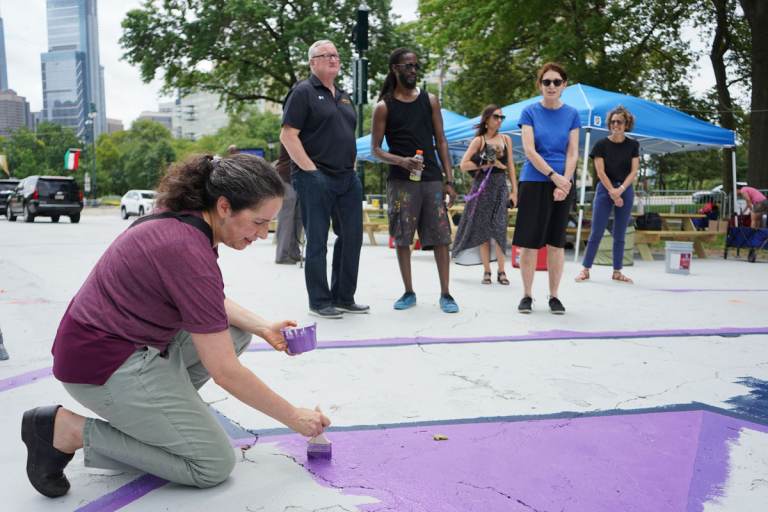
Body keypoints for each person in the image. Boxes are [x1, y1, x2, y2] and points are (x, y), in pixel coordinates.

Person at [21, 154, 331, 499]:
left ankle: (161, 418)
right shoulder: (185, 247)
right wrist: (293, 417)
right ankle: (68, 430)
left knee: (236, 332)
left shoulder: (185, 223)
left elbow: (207, 301)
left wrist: (263, 327)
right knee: (211, 463)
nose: (263, 234)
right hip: (102, 365)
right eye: (258, 222)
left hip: (121, 347)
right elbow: (225, 371)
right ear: (225, 206)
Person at [280, 40, 368, 319]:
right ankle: (319, 301)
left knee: (352, 237)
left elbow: (347, 135)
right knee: (317, 240)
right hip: (314, 177)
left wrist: (352, 167)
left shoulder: (343, 96)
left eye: (336, 54)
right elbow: (288, 135)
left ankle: (344, 296)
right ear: (312, 62)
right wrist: (311, 171)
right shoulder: (303, 92)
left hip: (346, 178)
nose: (333, 59)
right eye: (325, 55)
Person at [370, 48, 459, 313]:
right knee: (402, 237)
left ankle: (446, 293)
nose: (413, 70)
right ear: (395, 69)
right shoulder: (383, 106)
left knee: (441, 236)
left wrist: (450, 179)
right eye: (408, 66)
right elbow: (376, 149)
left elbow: (441, 140)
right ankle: (409, 291)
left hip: (431, 178)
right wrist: (401, 160)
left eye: (416, 66)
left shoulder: (429, 100)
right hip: (401, 181)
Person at [513, 62, 580, 314]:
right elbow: (530, 150)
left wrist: (566, 181)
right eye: (546, 82)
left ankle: (554, 296)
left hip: (562, 182)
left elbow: (573, 152)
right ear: (540, 85)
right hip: (535, 180)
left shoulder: (572, 114)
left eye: (556, 82)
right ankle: (527, 295)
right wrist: (555, 177)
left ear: (564, 85)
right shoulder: (529, 112)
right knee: (529, 243)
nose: (551, 86)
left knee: (556, 243)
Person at [453, 104, 518, 284]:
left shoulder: (506, 139)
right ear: (487, 120)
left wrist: (515, 191)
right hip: (482, 187)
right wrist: (487, 165)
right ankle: (487, 271)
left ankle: (502, 271)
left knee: (499, 227)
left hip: (500, 188)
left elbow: (511, 166)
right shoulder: (479, 141)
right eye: (496, 117)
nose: (499, 120)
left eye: (501, 117)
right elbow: (463, 165)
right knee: (483, 229)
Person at [575, 105, 639, 284]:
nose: (615, 125)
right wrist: (612, 191)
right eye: (612, 122)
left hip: (625, 189)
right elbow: (600, 172)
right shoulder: (601, 144)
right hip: (605, 189)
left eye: (619, 122)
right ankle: (585, 269)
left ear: (626, 124)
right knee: (597, 231)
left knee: (620, 233)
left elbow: (634, 171)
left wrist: (620, 191)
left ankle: (617, 271)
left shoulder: (633, 144)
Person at [274, 144, 304, 264]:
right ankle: (282, 254)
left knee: (299, 218)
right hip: (286, 178)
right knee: (286, 219)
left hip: (298, 179)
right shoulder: (291, 132)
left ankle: (294, 252)